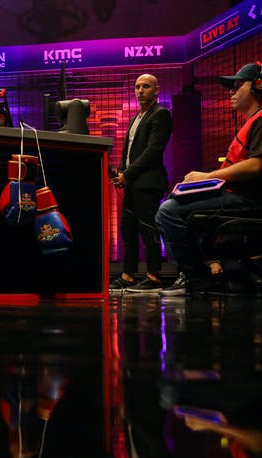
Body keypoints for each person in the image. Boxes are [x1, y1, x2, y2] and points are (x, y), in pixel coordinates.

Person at [155, 62, 262, 296]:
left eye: (237, 85)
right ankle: (200, 271)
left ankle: (195, 277)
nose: (231, 91)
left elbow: (256, 165)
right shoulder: (256, 121)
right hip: (238, 196)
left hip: (250, 200)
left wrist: (207, 176)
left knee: (168, 212)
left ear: (260, 85)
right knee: (174, 203)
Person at [109, 74, 173, 294]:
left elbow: (153, 151)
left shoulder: (161, 114)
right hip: (133, 183)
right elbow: (128, 151)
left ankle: (154, 276)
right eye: (137, 87)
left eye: (146, 86)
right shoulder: (136, 117)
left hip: (148, 183)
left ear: (156, 90)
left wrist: (127, 174)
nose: (140, 90)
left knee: (148, 230)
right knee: (128, 230)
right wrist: (120, 171)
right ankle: (128, 275)